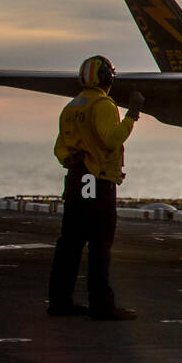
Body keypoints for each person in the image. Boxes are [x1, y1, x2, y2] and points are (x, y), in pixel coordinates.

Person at [49, 55, 143, 320]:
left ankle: (59, 301)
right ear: (106, 78)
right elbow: (111, 139)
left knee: (69, 243)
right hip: (98, 180)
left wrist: (71, 159)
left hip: (76, 179)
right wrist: (132, 115)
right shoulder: (102, 104)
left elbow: (60, 148)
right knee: (100, 244)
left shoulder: (72, 106)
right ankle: (101, 305)